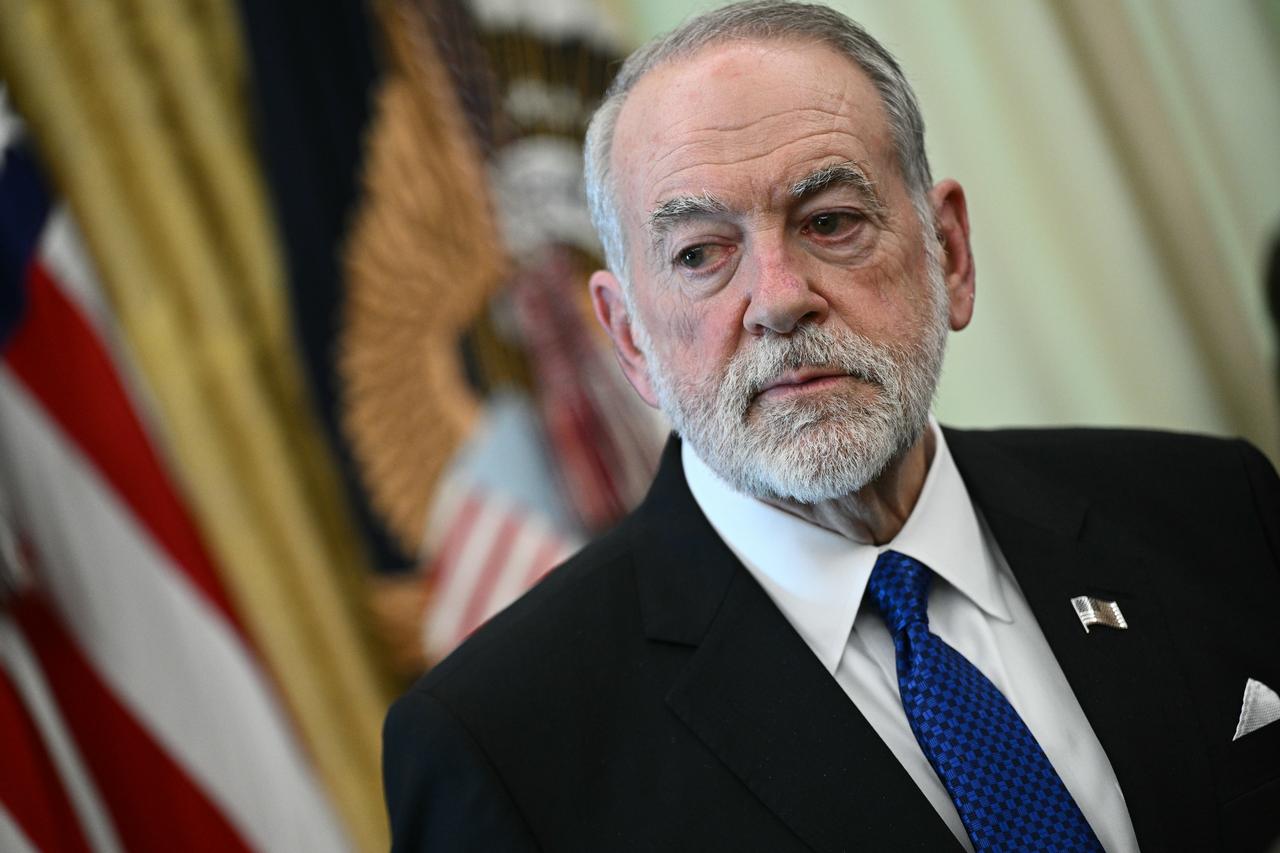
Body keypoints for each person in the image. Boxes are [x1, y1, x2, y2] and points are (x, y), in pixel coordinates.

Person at [382, 2, 1280, 850]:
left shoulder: (1212, 509)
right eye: (700, 253)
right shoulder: (502, 750)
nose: (776, 298)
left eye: (831, 221)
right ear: (629, 339)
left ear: (951, 256)